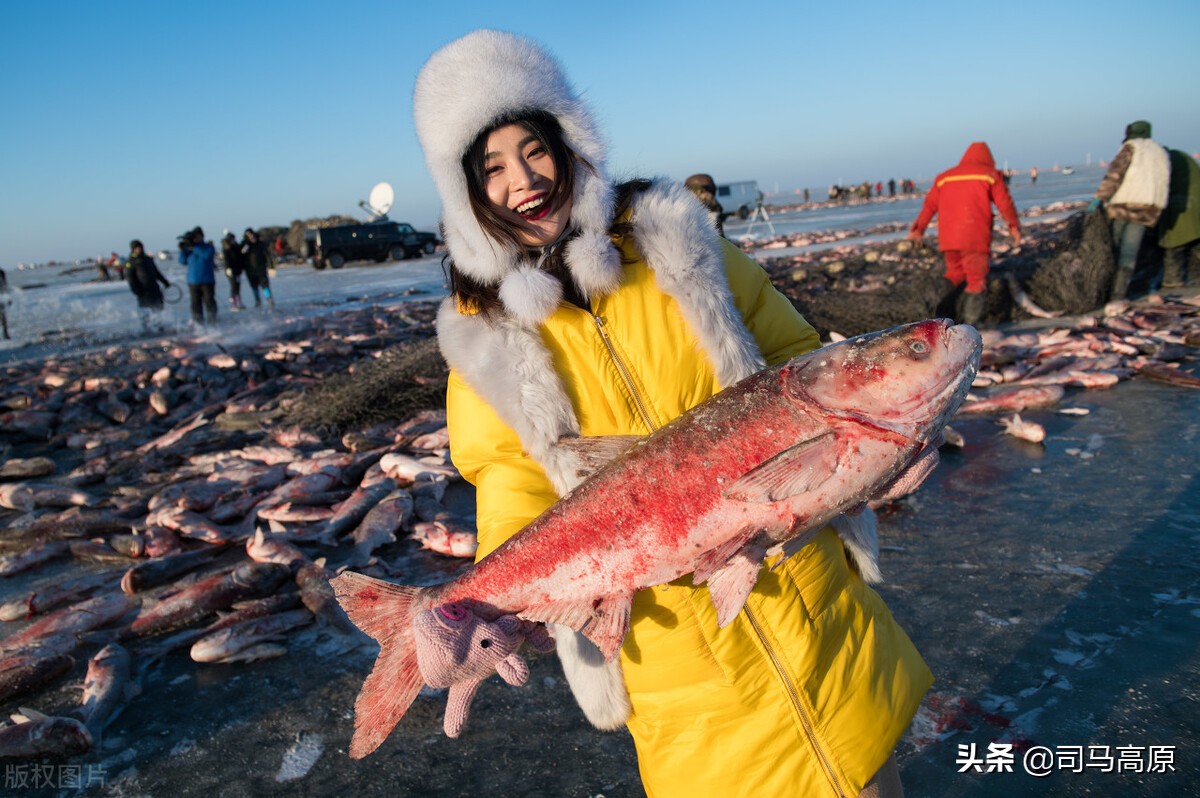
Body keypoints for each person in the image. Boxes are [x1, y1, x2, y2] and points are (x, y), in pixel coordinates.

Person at [415, 30, 929, 798]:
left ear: (567, 141)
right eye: (490, 168)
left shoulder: (677, 243)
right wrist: (483, 606)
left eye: (533, 149)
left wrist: (884, 437)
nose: (522, 180)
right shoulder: (485, 339)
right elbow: (512, 490)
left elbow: (798, 358)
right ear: (465, 195)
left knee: (866, 776)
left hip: (807, 597)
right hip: (675, 655)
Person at [906, 142, 1022, 325]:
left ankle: (940, 318)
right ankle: (970, 327)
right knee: (976, 281)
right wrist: (1014, 226)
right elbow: (1005, 204)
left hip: (948, 238)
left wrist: (917, 230)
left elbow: (929, 206)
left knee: (954, 274)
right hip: (975, 236)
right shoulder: (990, 175)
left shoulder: (944, 177)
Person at [1090, 120, 1170, 299]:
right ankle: (1119, 294)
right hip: (1148, 209)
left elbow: (1114, 175)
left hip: (1123, 206)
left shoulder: (1130, 147)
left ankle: (1106, 291)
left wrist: (1099, 197)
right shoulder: (1160, 151)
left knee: (1116, 248)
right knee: (1130, 252)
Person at [1158, 148, 1200, 289]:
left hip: (1180, 206)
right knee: (1194, 242)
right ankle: (1195, 278)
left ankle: (1173, 280)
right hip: (1195, 204)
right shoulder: (1182, 157)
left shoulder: (1167, 161)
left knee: (1174, 244)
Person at [125, 239, 171, 330]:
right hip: (143, 291)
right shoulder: (131, 262)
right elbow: (130, 278)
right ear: (133, 249)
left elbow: (156, 272)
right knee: (146, 312)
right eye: (137, 248)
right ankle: (147, 329)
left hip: (154, 288)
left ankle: (160, 327)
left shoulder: (148, 259)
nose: (139, 249)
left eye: (140, 247)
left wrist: (165, 282)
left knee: (158, 309)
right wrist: (137, 291)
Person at [179, 226, 218, 324]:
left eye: (197, 236)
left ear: (201, 236)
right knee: (195, 304)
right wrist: (183, 250)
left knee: (209, 302)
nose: (195, 239)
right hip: (193, 281)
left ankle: (212, 321)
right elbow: (182, 261)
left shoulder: (208, 247)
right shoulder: (190, 249)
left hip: (207, 280)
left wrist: (194, 247)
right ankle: (198, 323)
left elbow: (207, 255)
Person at [240, 227, 274, 308]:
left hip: (261, 268)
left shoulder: (260, 244)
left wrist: (270, 266)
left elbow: (267, 255)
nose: (250, 237)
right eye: (248, 235)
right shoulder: (244, 245)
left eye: (251, 234)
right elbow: (240, 256)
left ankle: (269, 299)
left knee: (265, 285)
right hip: (250, 270)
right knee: (254, 286)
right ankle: (257, 300)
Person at [220, 231, 245, 310]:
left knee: (237, 286)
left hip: (237, 270)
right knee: (233, 286)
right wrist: (228, 268)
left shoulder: (236, 246)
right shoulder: (226, 248)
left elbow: (239, 257)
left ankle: (238, 302)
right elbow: (226, 259)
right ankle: (233, 303)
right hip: (231, 270)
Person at [0, 267, 10, 340]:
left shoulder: (1, 272)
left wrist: (8, 298)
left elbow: (5, 286)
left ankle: (5, 334)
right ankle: (5, 334)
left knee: (3, 317)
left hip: (1, 298)